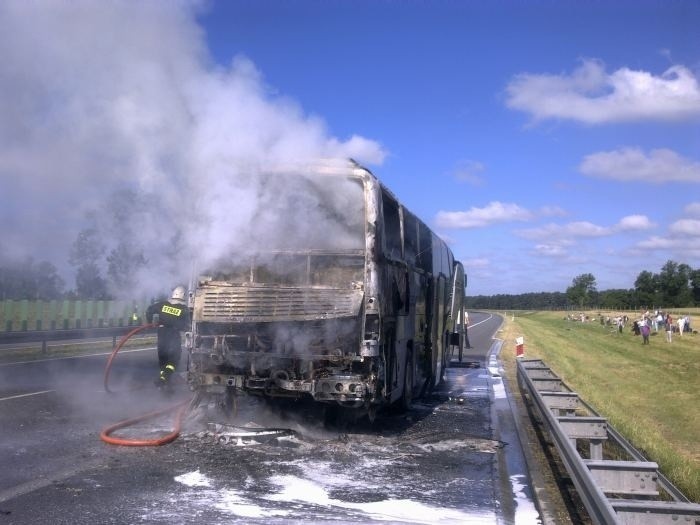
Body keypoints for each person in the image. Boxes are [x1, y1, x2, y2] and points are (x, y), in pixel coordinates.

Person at [146, 285, 191, 388]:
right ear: (183, 296)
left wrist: (150, 322)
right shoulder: (184, 309)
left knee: (163, 359)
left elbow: (149, 310)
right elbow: (186, 325)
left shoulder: (163, 305)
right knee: (174, 360)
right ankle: (163, 379)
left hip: (161, 333)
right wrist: (186, 329)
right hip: (173, 335)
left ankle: (167, 382)